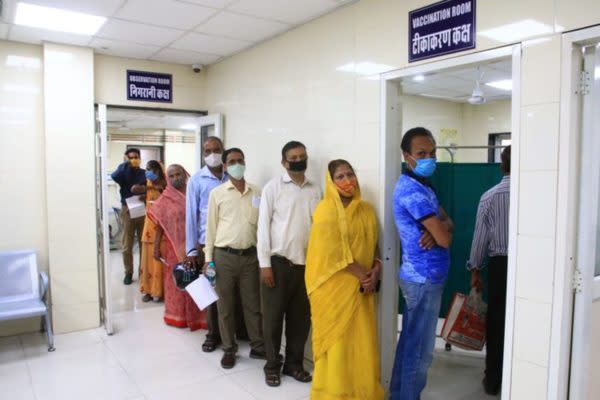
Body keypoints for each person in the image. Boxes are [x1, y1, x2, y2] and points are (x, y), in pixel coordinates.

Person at [306, 159, 384, 400]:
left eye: (350, 174)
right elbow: (331, 253)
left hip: (362, 288)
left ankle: (360, 392)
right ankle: (333, 393)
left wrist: (376, 269)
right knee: (337, 343)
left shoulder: (366, 209)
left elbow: (374, 246)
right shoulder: (326, 210)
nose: (347, 180)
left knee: (359, 342)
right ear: (330, 181)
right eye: (340, 176)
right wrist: (363, 275)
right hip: (333, 287)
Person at [390, 127, 454, 400]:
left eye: (432, 152)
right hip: (422, 279)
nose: (429, 158)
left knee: (410, 343)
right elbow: (446, 237)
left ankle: (396, 395)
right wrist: (440, 230)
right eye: (421, 154)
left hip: (426, 278)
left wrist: (439, 229)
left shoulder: (423, 186)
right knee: (420, 351)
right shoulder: (411, 191)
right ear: (407, 156)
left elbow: (447, 223)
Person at [257, 141, 321, 387]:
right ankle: (272, 366)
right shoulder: (273, 188)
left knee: (300, 319)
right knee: (273, 319)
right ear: (284, 162)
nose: (298, 160)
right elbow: (263, 227)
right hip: (278, 264)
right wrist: (265, 264)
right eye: (293, 157)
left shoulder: (316, 189)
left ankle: (294, 364)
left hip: (307, 266)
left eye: (302, 156)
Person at [204, 148, 265, 369]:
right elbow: (210, 229)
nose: (236, 164)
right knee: (225, 307)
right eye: (232, 161)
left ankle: (259, 346)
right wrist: (208, 260)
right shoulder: (217, 194)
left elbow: (262, 228)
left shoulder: (257, 192)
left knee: (253, 305)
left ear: (245, 162)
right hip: (224, 258)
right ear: (225, 165)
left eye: (240, 160)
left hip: (250, 257)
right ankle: (229, 349)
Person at [185, 136, 248, 352]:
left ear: (223, 152)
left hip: (229, 244)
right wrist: (192, 250)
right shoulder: (196, 180)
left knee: (233, 293)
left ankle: (235, 331)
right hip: (206, 247)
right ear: (203, 154)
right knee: (211, 292)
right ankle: (213, 334)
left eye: (216, 149)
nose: (212, 154)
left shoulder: (232, 177)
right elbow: (191, 216)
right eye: (207, 151)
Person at [467, 145, 511, 396]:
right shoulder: (537, 194)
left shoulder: (490, 196)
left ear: (501, 166)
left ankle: (493, 380)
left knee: (496, 321)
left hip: (500, 266)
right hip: (530, 265)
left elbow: (479, 238)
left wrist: (475, 270)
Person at [149, 164, 207, 330]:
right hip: (173, 248)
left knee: (197, 279)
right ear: (168, 178)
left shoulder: (193, 192)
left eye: (178, 174)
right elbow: (160, 223)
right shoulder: (166, 197)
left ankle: (199, 318)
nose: (176, 178)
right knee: (178, 280)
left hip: (196, 245)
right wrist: (155, 246)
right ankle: (178, 317)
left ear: (185, 173)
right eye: (172, 175)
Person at [111, 148, 147, 285]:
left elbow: (152, 187)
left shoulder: (144, 173)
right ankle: (128, 273)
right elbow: (114, 176)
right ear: (126, 158)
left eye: (136, 157)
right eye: (131, 157)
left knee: (144, 243)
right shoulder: (123, 172)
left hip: (142, 209)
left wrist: (145, 192)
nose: (134, 159)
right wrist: (125, 164)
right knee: (127, 245)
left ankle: (143, 272)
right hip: (127, 210)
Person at [139, 161, 167, 302]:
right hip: (148, 226)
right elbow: (135, 189)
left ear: (159, 171)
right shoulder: (147, 184)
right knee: (147, 260)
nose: (148, 172)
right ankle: (148, 291)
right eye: (147, 169)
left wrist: (160, 188)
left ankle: (161, 291)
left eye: (151, 169)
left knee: (160, 260)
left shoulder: (166, 185)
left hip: (162, 228)